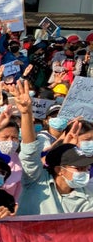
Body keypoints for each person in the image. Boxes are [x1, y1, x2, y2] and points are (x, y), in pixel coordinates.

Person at [14, 79, 93, 214]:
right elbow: (29, 152)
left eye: (86, 169)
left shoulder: (88, 198)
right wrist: (26, 113)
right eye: (79, 168)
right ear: (59, 169)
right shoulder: (35, 180)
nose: (84, 174)